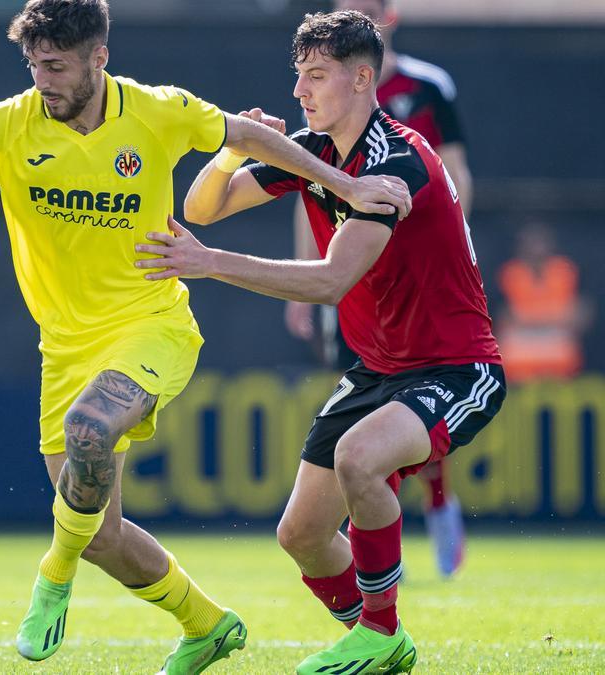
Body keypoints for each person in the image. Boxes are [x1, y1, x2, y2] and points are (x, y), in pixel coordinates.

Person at [0, 1, 409, 672]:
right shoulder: (7, 126)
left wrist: (342, 182)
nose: (43, 80)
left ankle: (52, 574)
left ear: (99, 58)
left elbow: (250, 136)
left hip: (152, 325)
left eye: (57, 66)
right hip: (64, 347)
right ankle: (206, 624)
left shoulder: (158, 110)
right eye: (34, 65)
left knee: (91, 429)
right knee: (101, 534)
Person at [136, 11, 504, 673]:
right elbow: (202, 207)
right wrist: (231, 150)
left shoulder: (395, 165)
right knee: (301, 534)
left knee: (361, 458)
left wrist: (209, 262)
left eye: (316, 76)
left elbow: (332, 279)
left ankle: (382, 632)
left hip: (455, 367)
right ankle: (379, 642)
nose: (301, 91)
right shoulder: (318, 154)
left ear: (362, 79)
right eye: (298, 75)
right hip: (377, 369)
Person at [284, 0, 476, 579]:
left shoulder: (423, 90)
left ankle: (436, 508)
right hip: (358, 282)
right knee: (373, 404)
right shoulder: (321, 115)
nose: (304, 88)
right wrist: (302, 278)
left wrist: (452, 246)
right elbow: (308, 191)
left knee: (407, 401)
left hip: (410, 273)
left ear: (389, 17)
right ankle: (377, 544)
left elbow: (454, 171)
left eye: (371, 6)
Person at [496, 221, 592, 382]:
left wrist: (526, 317)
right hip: (518, 362)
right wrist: (555, 316)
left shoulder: (565, 271)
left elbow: (580, 314)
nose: (536, 249)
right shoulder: (509, 274)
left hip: (561, 361)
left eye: (540, 243)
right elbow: (502, 317)